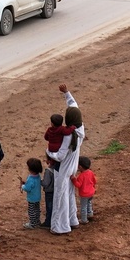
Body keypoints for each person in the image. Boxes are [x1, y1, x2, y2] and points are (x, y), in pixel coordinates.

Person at [49, 84, 83, 235]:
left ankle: (60, 226)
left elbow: (60, 156)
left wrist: (49, 152)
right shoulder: (80, 129)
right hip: (73, 167)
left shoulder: (68, 136)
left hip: (63, 168)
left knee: (60, 196)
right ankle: (72, 220)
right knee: (69, 193)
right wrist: (67, 93)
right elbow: (74, 105)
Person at [71, 156, 97, 223]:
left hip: (84, 194)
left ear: (80, 166)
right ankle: (90, 214)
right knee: (89, 203)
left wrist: (73, 179)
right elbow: (94, 181)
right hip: (91, 192)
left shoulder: (81, 176)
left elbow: (78, 185)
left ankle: (84, 220)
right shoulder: (91, 172)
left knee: (83, 207)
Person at [19, 158, 43, 229]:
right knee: (37, 210)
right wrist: (26, 183)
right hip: (37, 197)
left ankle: (32, 224)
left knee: (31, 211)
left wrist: (22, 186)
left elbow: (27, 188)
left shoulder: (30, 178)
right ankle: (37, 221)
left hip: (32, 198)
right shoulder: (38, 176)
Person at [40, 159, 56, 228]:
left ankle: (48, 223)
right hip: (56, 191)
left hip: (49, 192)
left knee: (49, 208)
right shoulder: (58, 169)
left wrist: (40, 181)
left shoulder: (48, 171)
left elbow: (45, 183)